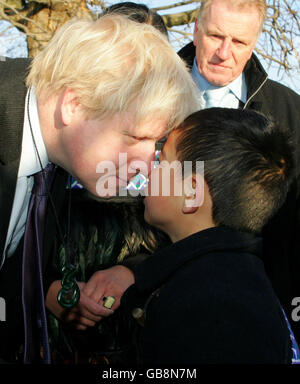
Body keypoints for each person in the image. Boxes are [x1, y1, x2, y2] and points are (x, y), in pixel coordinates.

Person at [0, 14, 199, 363]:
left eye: (155, 143)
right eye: (136, 136)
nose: (145, 163)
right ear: (74, 104)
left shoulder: (60, 158)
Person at [120, 108, 300, 364]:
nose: (149, 168)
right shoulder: (231, 280)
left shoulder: (216, 312)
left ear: (192, 193)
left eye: (162, 161)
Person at [178, 0, 300, 342]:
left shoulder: (289, 111)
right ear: (196, 30)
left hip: (260, 298)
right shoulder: (146, 98)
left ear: (255, 43)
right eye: (216, 35)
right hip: (156, 295)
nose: (224, 52)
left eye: (240, 42)